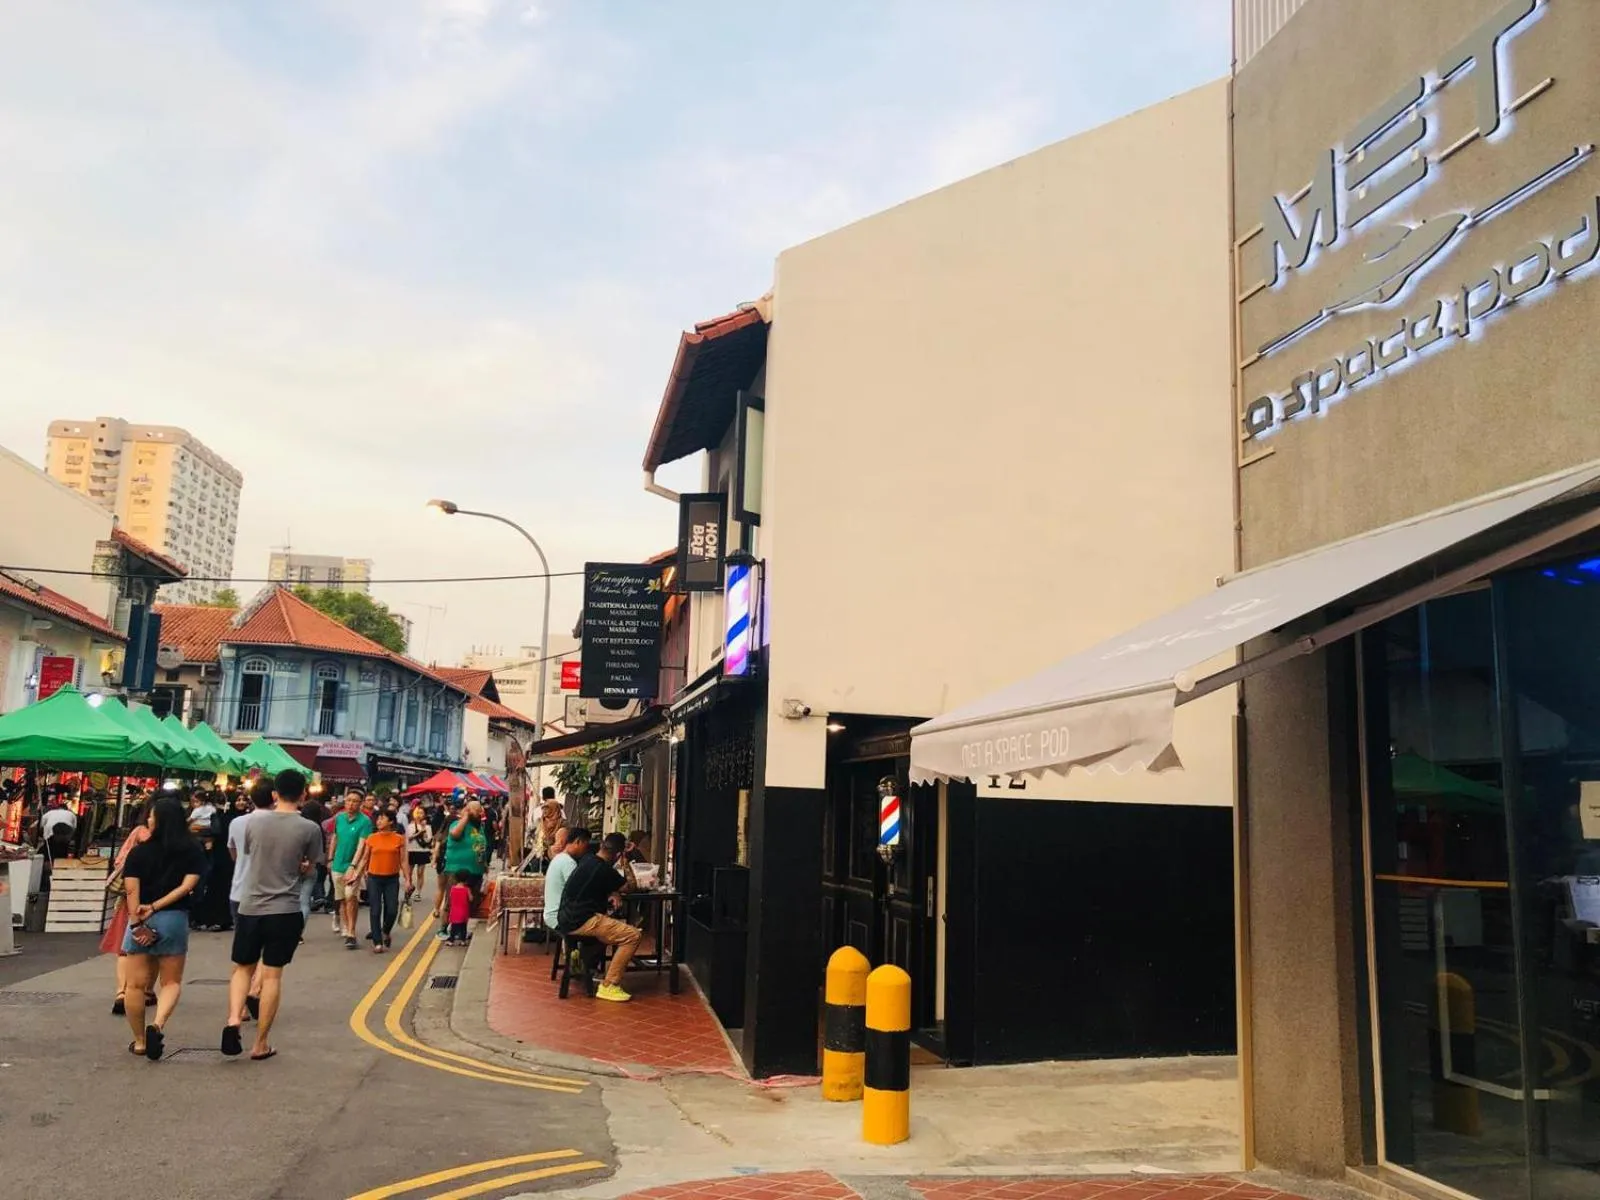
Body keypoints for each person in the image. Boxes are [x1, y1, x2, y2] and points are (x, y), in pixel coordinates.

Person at [222, 769, 324, 1061]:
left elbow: (248, 854)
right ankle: (260, 1043)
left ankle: (232, 1020)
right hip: (285, 908)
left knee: (242, 967)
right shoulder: (309, 829)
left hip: (250, 904)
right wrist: (300, 867)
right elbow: (311, 867)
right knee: (272, 976)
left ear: (274, 794)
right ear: (304, 794)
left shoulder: (251, 822)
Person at [120, 796, 209, 1059]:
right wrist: (158, 906)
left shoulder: (139, 852)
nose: (148, 819)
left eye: (151, 816)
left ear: (158, 821)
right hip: (174, 918)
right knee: (170, 982)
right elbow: (188, 885)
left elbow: (131, 888)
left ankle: (138, 1041)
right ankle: (157, 1024)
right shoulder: (192, 850)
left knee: (134, 986)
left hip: (140, 920)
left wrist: (138, 918)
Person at [557, 832, 641, 1003]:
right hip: (582, 920)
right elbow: (631, 886)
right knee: (633, 935)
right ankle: (609, 985)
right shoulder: (605, 869)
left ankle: (588, 964)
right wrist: (626, 860)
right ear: (618, 854)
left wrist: (612, 891)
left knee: (609, 932)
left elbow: (598, 884)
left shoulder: (588, 860)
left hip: (567, 917)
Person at [103, 798, 153, 1016]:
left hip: (130, 899)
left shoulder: (137, 833)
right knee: (152, 950)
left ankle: (121, 992)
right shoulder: (174, 840)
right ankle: (145, 991)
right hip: (159, 902)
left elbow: (119, 862)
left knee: (125, 949)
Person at [351, 811, 406, 952]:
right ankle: (377, 942)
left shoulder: (399, 839)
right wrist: (356, 874)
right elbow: (364, 858)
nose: (379, 821)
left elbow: (404, 860)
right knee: (375, 910)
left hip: (392, 879)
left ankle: (385, 931)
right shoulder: (372, 838)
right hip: (374, 878)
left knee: (392, 909)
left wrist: (408, 879)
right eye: (378, 819)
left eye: (382, 818)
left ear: (391, 822)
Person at [329, 791, 373, 948]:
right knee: (341, 898)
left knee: (350, 896)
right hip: (337, 864)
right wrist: (330, 858)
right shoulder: (339, 818)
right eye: (348, 800)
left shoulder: (365, 821)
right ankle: (347, 928)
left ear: (361, 803)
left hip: (353, 866)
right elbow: (335, 838)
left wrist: (353, 866)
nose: (351, 804)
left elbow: (362, 846)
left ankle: (352, 933)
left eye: (355, 801)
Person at [442, 799, 488, 924]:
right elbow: (454, 834)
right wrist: (466, 816)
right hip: (457, 870)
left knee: (470, 902)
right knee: (451, 902)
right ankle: (444, 928)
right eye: (477, 810)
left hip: (475, 870)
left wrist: (484, 864)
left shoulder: (479, 827)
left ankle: (461, 929)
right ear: (468, 811)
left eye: (481, 810)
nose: (481, 812)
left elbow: (481, 846)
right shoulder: (457, 824)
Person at [541, 826, 583, 938]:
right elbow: (579, 890)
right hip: (560, 917)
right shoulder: (567, 862)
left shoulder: (560, 859)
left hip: (554, 915)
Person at [403, 803, 431, 897]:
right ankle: (409, 888)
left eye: (422, 813)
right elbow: (408, 838)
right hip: (411, 851)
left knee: (420, 873)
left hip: (423, 851)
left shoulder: (428, 827)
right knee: (409, 873)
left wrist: (423, 829)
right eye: (418, 813)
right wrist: (419, 832)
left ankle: (418, 893)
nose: (419, 815)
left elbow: (428, 840)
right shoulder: (410, 826)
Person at [445, 873, 472, 945]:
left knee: (454, 927)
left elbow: (450, 898)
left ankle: (451, 941)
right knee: (463, 927)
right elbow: (470, 899)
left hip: (454, 911)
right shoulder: (466, 889)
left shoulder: (453, 888)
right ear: (466, 880)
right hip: (464, 911)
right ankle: (463, 941)